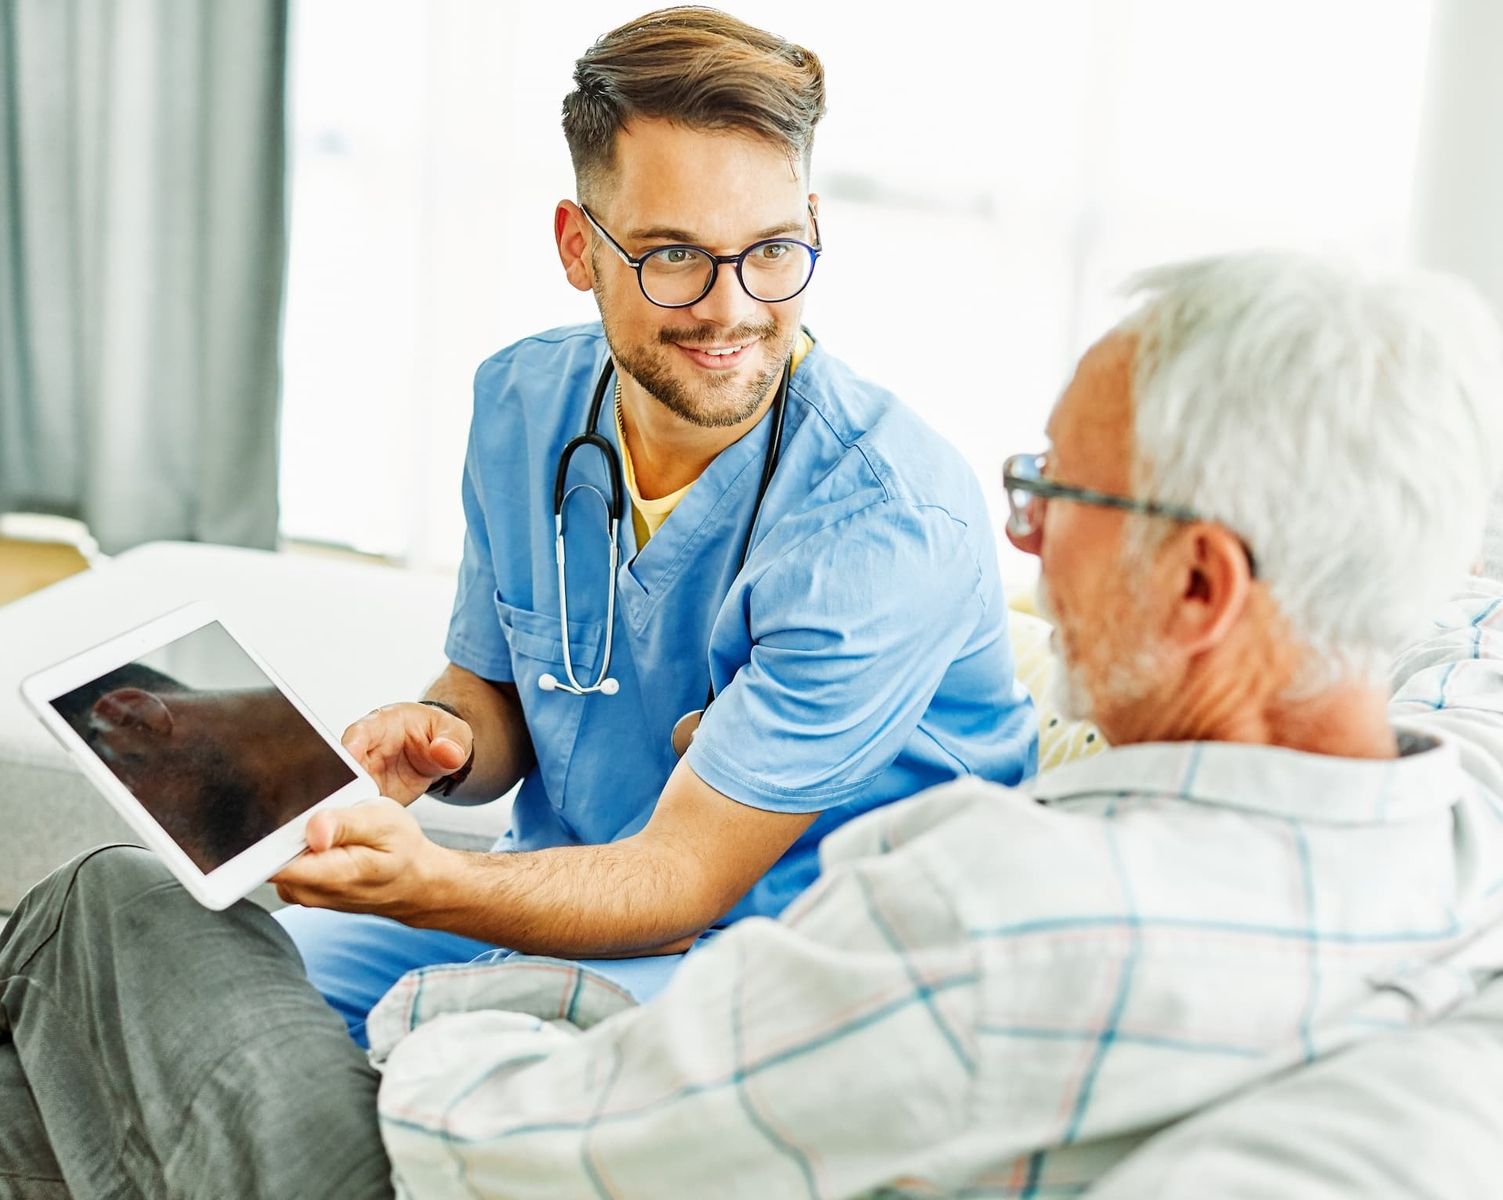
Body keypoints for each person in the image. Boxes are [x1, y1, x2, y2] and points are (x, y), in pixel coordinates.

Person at [6, 251, 1503, 1199]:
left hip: (468, 1148)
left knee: (114, 912)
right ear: (582, 246)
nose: (1026, 547)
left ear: (1197, 580)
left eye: (1062, 497)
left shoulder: (1000, 917)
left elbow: (509, 1150)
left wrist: (429, 1014)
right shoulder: (1447, 826)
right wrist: (459, 742)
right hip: (690, 1053)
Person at [267, 5, 1036, 1045]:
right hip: (573, 898)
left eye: (770, 251)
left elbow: (680, 881)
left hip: (803, 963)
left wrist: (426, 883)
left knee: (453, 1053)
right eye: (673, 256)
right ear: (578, 248)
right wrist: (443, 739)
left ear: (810, 223)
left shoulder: (888, 521)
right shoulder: (522, 405)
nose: (732, 309)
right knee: (236, 982)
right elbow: (499, 694)